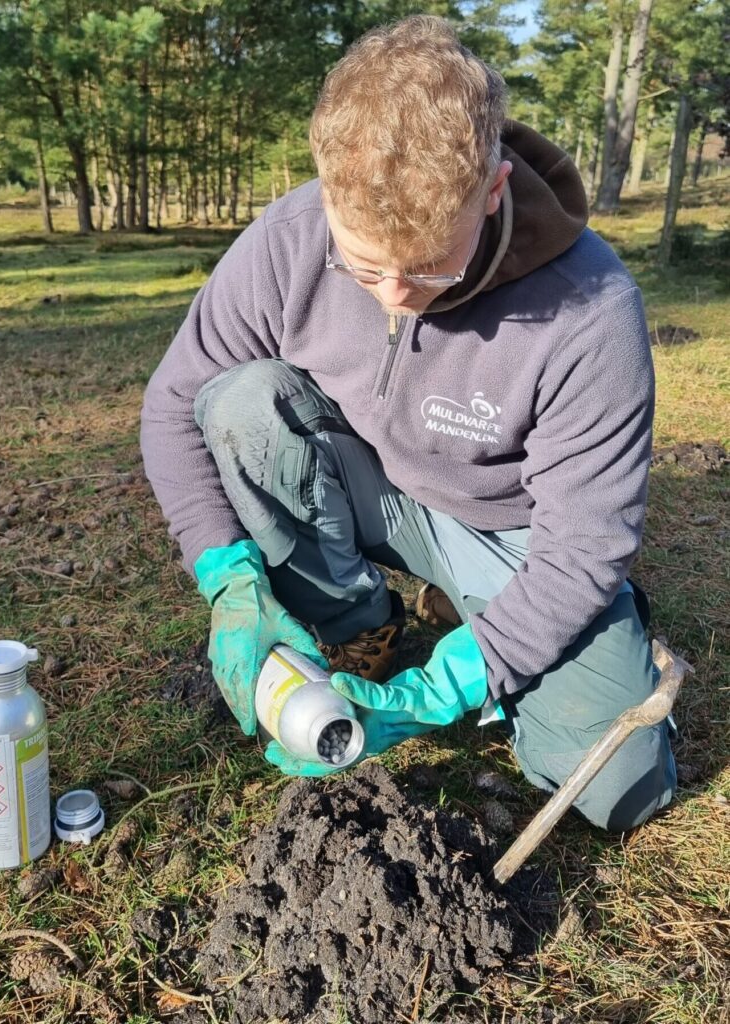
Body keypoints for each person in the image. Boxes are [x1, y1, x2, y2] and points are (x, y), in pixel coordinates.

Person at [141, 15, 675, 831]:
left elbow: (586, 541)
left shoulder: (590, 308)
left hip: (512, 532)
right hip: (375, 488)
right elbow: (174, 404)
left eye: (429, 266)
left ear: (492, 189)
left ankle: (489, 617)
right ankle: (365, 628)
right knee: (244, 401)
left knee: (624, 788)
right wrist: (226, 576)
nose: (393, 293)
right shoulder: (289, 239)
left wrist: (460, 679)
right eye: (363, 266)